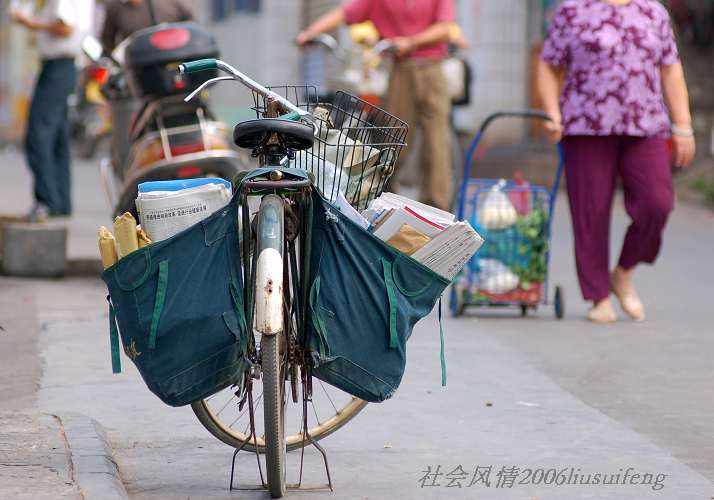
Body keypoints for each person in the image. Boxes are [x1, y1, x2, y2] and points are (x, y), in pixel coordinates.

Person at [537, 0, 696, 323]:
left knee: (657, 203)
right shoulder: (572, 10)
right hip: (586, 125)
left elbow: (671, 68)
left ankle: (623, 272)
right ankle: (598, 296)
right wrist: (552, 112)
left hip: (645, 125)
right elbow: (548, 64)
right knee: (590, 211)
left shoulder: (653, 11)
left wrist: (683, 126)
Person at [297, 0, 456, 211]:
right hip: (399, 70)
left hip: (431, 69)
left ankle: (437, 210)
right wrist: (311, 32)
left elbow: (445, 28)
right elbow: (344, 13)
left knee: (436, 145)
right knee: (392, 140)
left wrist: (410, 42)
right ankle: (383, 204)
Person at [12, 0, 95, 220]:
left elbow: (65, 28)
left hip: (57, 68)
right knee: (58, 137)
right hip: (66, 67)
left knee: (38, 135)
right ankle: (60, 202)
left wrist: (31, 22)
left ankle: (46, 201)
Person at [100, 0, 193, 53]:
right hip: (136, 65)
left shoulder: (170, 3)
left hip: (173, 58)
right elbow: (107, 41)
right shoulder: (115, 7)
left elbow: (192, 25)